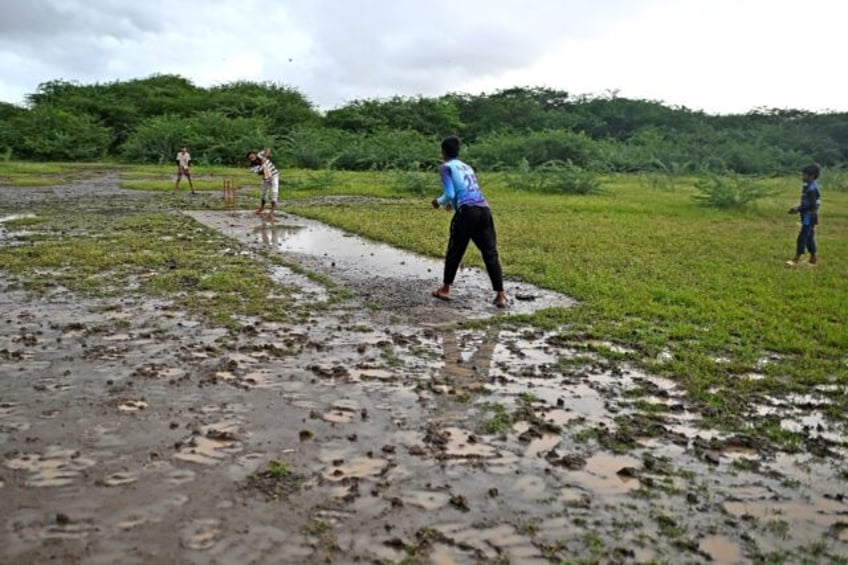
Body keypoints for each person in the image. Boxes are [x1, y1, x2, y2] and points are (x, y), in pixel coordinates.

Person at [431, 135, 507, 308]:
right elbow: (466, 189)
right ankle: (501, 295)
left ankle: (445, 289)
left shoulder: (445, 167)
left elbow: (450, 193)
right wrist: (453, 203)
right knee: (490, 252)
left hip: (467, 212)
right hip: (484, 210)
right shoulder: (467, 167)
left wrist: (438, 202)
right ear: (458, 151)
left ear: (442, 152)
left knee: (455, 249)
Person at [786, 164, 822, 266]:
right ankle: (813, 258)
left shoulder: (811, 189)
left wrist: (797, 208)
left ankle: (796, 259)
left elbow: (811, 204)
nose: (802, 177)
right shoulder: (808, 186)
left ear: (812, 176)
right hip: (808, 216)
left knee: (802, 237)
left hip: (809, 217)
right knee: (809, 237)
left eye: (804, 175)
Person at [246, 147, 279, 221]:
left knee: (274, 192)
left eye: (252, 156)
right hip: (265, 178)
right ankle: (262, 208)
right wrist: (263, 164)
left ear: (255, 155)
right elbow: (260, 172)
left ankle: (272, 212)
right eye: (250, 158)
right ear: (249, 159)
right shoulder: (252, 166)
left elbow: (268, 149)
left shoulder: (260, 155)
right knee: (264, 194)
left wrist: (264, 156)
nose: (252, 158)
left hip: (274, 176)